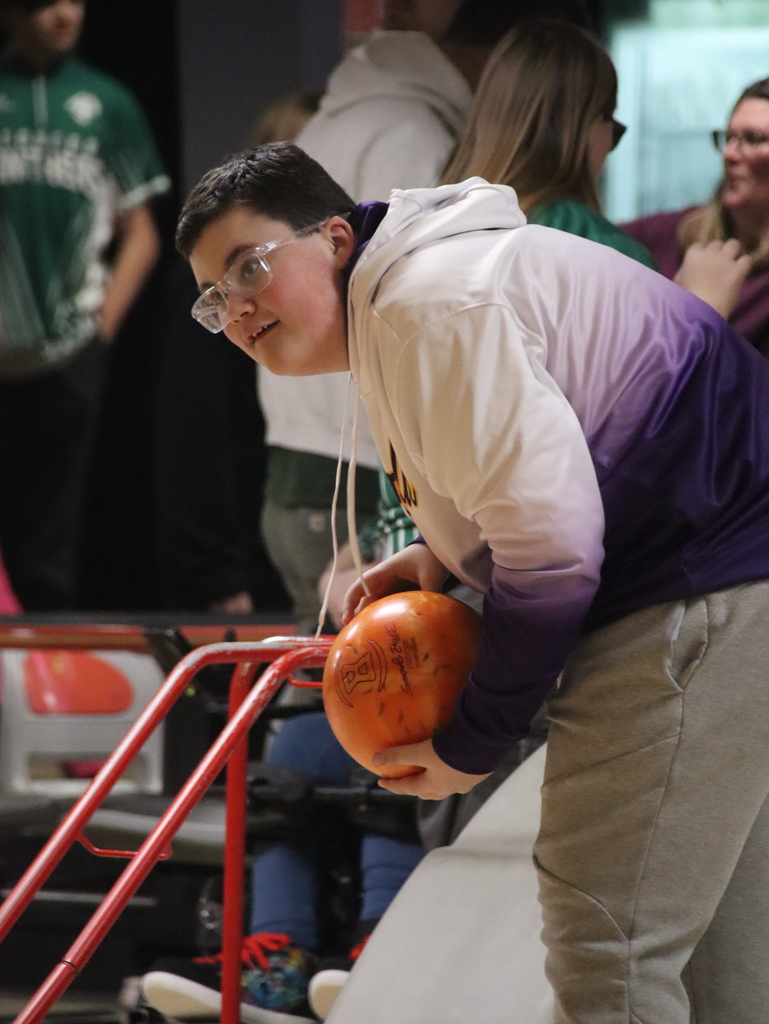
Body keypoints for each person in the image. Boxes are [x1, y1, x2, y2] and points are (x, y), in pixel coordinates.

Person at [177, 143, 768, 1023]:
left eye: (251, 267)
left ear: (336, 237)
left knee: (610, 945)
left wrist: (470, 743)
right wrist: (444, 559)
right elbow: (538, 483)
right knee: (712, 955)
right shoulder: (405, 291)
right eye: (215, 297)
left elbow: (557, 555)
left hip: (700, 581)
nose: (239, 308)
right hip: (725, 572)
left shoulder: (426, 306)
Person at [260, 0, 593, 637]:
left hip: (307, 457)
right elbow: (422, 308)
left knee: (356, 701)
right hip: (355, 462)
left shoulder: (343, 115)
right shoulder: (411, 135)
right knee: (388, 702)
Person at [0, 0, 169, 610]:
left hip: (71, 346)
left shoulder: (108, 103)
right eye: (46, 2)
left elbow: (142, 230)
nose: (64, 13)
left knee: (53, 527)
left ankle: (47, 675)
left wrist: (102, 328)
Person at [623, 76, 769, 358]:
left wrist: (701, 309)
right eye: (728, 138)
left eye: (752, 139)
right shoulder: (677, 231)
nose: (729, 154)